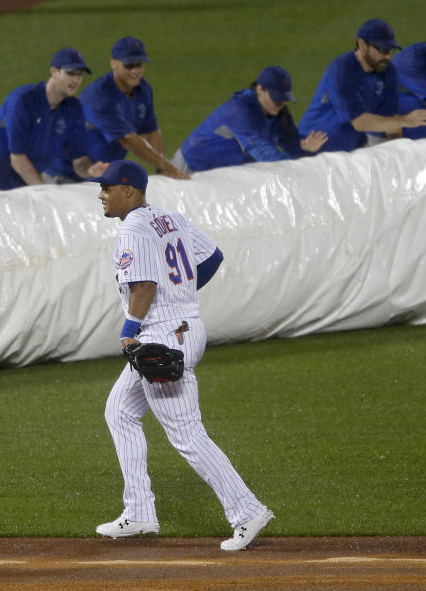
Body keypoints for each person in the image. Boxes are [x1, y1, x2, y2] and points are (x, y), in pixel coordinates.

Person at [90, 159, 273, 551]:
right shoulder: (169, 218)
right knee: (119, 411)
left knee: (187, 434)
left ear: (130, 191)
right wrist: (183, 296)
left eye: (107, 187)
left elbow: (144, 287)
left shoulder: (133, 230)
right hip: (183, 327)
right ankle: (139, 511)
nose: (101, 194)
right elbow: (212, 258)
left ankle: (246, 510)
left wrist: (127, 335)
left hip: (162, 336)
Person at [0, 48, 107, 193]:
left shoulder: (73, 109)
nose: (76, 80)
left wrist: (89, 170)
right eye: (70, 73)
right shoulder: (23, 100)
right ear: (54, 72)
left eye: (80, 75)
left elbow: (79, 160)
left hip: (21, 183)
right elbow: (18, 159)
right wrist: (43, 191)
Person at [44, 37, 189, 183]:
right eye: (129, 65)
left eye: (139, 65)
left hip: (102, 174)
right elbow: (128, 140)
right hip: (65, 175)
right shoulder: (100, 96)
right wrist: (168, 167)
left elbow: (150, 131)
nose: (135, 71)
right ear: (113, 63)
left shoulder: (143, 89)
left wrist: (161, 168)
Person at [298, 18, 426, 153]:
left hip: (347, 156)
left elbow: (390, 121)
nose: (387, 56)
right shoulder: (343, 69)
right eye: (382, 50)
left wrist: (395, 153)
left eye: (390, 50)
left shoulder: (388, 72)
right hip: (312, 153)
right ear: (362, 44)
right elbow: (359, 122)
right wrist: (405, 120)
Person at [172, 66, 328, 174]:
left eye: (284, 99)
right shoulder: (239, 110)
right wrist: (292, 168)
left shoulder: (279, 115)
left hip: (220, 173)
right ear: (260, 90)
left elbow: (293, 146)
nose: (281, 104)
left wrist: (306, 149)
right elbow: (261, 151)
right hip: (190, 165)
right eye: (276, 98)